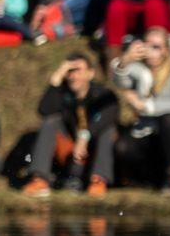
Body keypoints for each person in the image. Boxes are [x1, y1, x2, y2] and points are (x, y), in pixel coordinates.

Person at [112, 27, 170, 190]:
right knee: (123, 147)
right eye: (148, 45)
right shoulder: (139, 70)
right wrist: (125, 60)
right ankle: (147, 178)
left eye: (156, 47)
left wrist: (145, 106)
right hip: (148, 131)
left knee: (167, 118)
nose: (151, 51)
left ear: (165, 51)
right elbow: (120, 82)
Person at [22, 53, 118, 198]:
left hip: (94, 151)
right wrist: (55, 80)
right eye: (69, 71)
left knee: (109, 130)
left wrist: (85, 136)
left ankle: (99, 180)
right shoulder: (63, 94)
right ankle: (40, 179)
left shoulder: (103, 95)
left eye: (78, 70)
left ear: (90, 73)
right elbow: (44, 110)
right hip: (70, 153)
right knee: (51, 121)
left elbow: (108, 117)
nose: (73, 76)